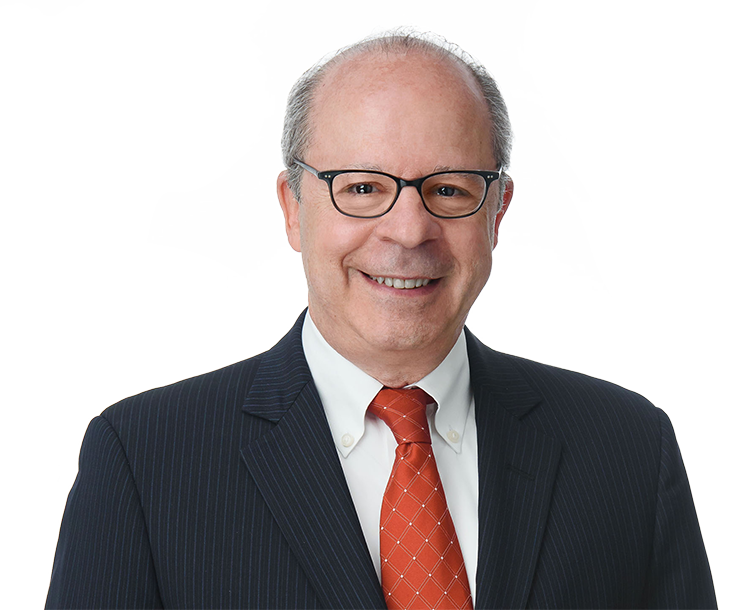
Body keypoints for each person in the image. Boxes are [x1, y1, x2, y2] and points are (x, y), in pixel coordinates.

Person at [45, 25, 716, 610]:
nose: (408, 229)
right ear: (292, 208)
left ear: (498, 212)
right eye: (363, 188)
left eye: (448, 189)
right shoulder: (144, 462)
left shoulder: (627, 450)